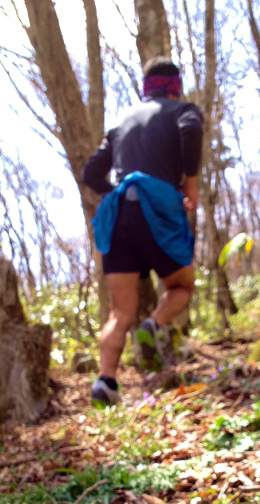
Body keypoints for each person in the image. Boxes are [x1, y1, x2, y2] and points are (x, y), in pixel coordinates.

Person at [82, 56, 203, 408]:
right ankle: (153, 324)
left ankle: (105, 383)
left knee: (120, 311)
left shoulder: (120, 123)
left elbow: (91, 172)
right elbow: (192, 130)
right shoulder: (182, 110)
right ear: (175, 85)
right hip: (160, 210)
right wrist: (189, 186)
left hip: (119, 217)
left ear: (145, 86)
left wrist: (120, 194)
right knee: (181, 286)